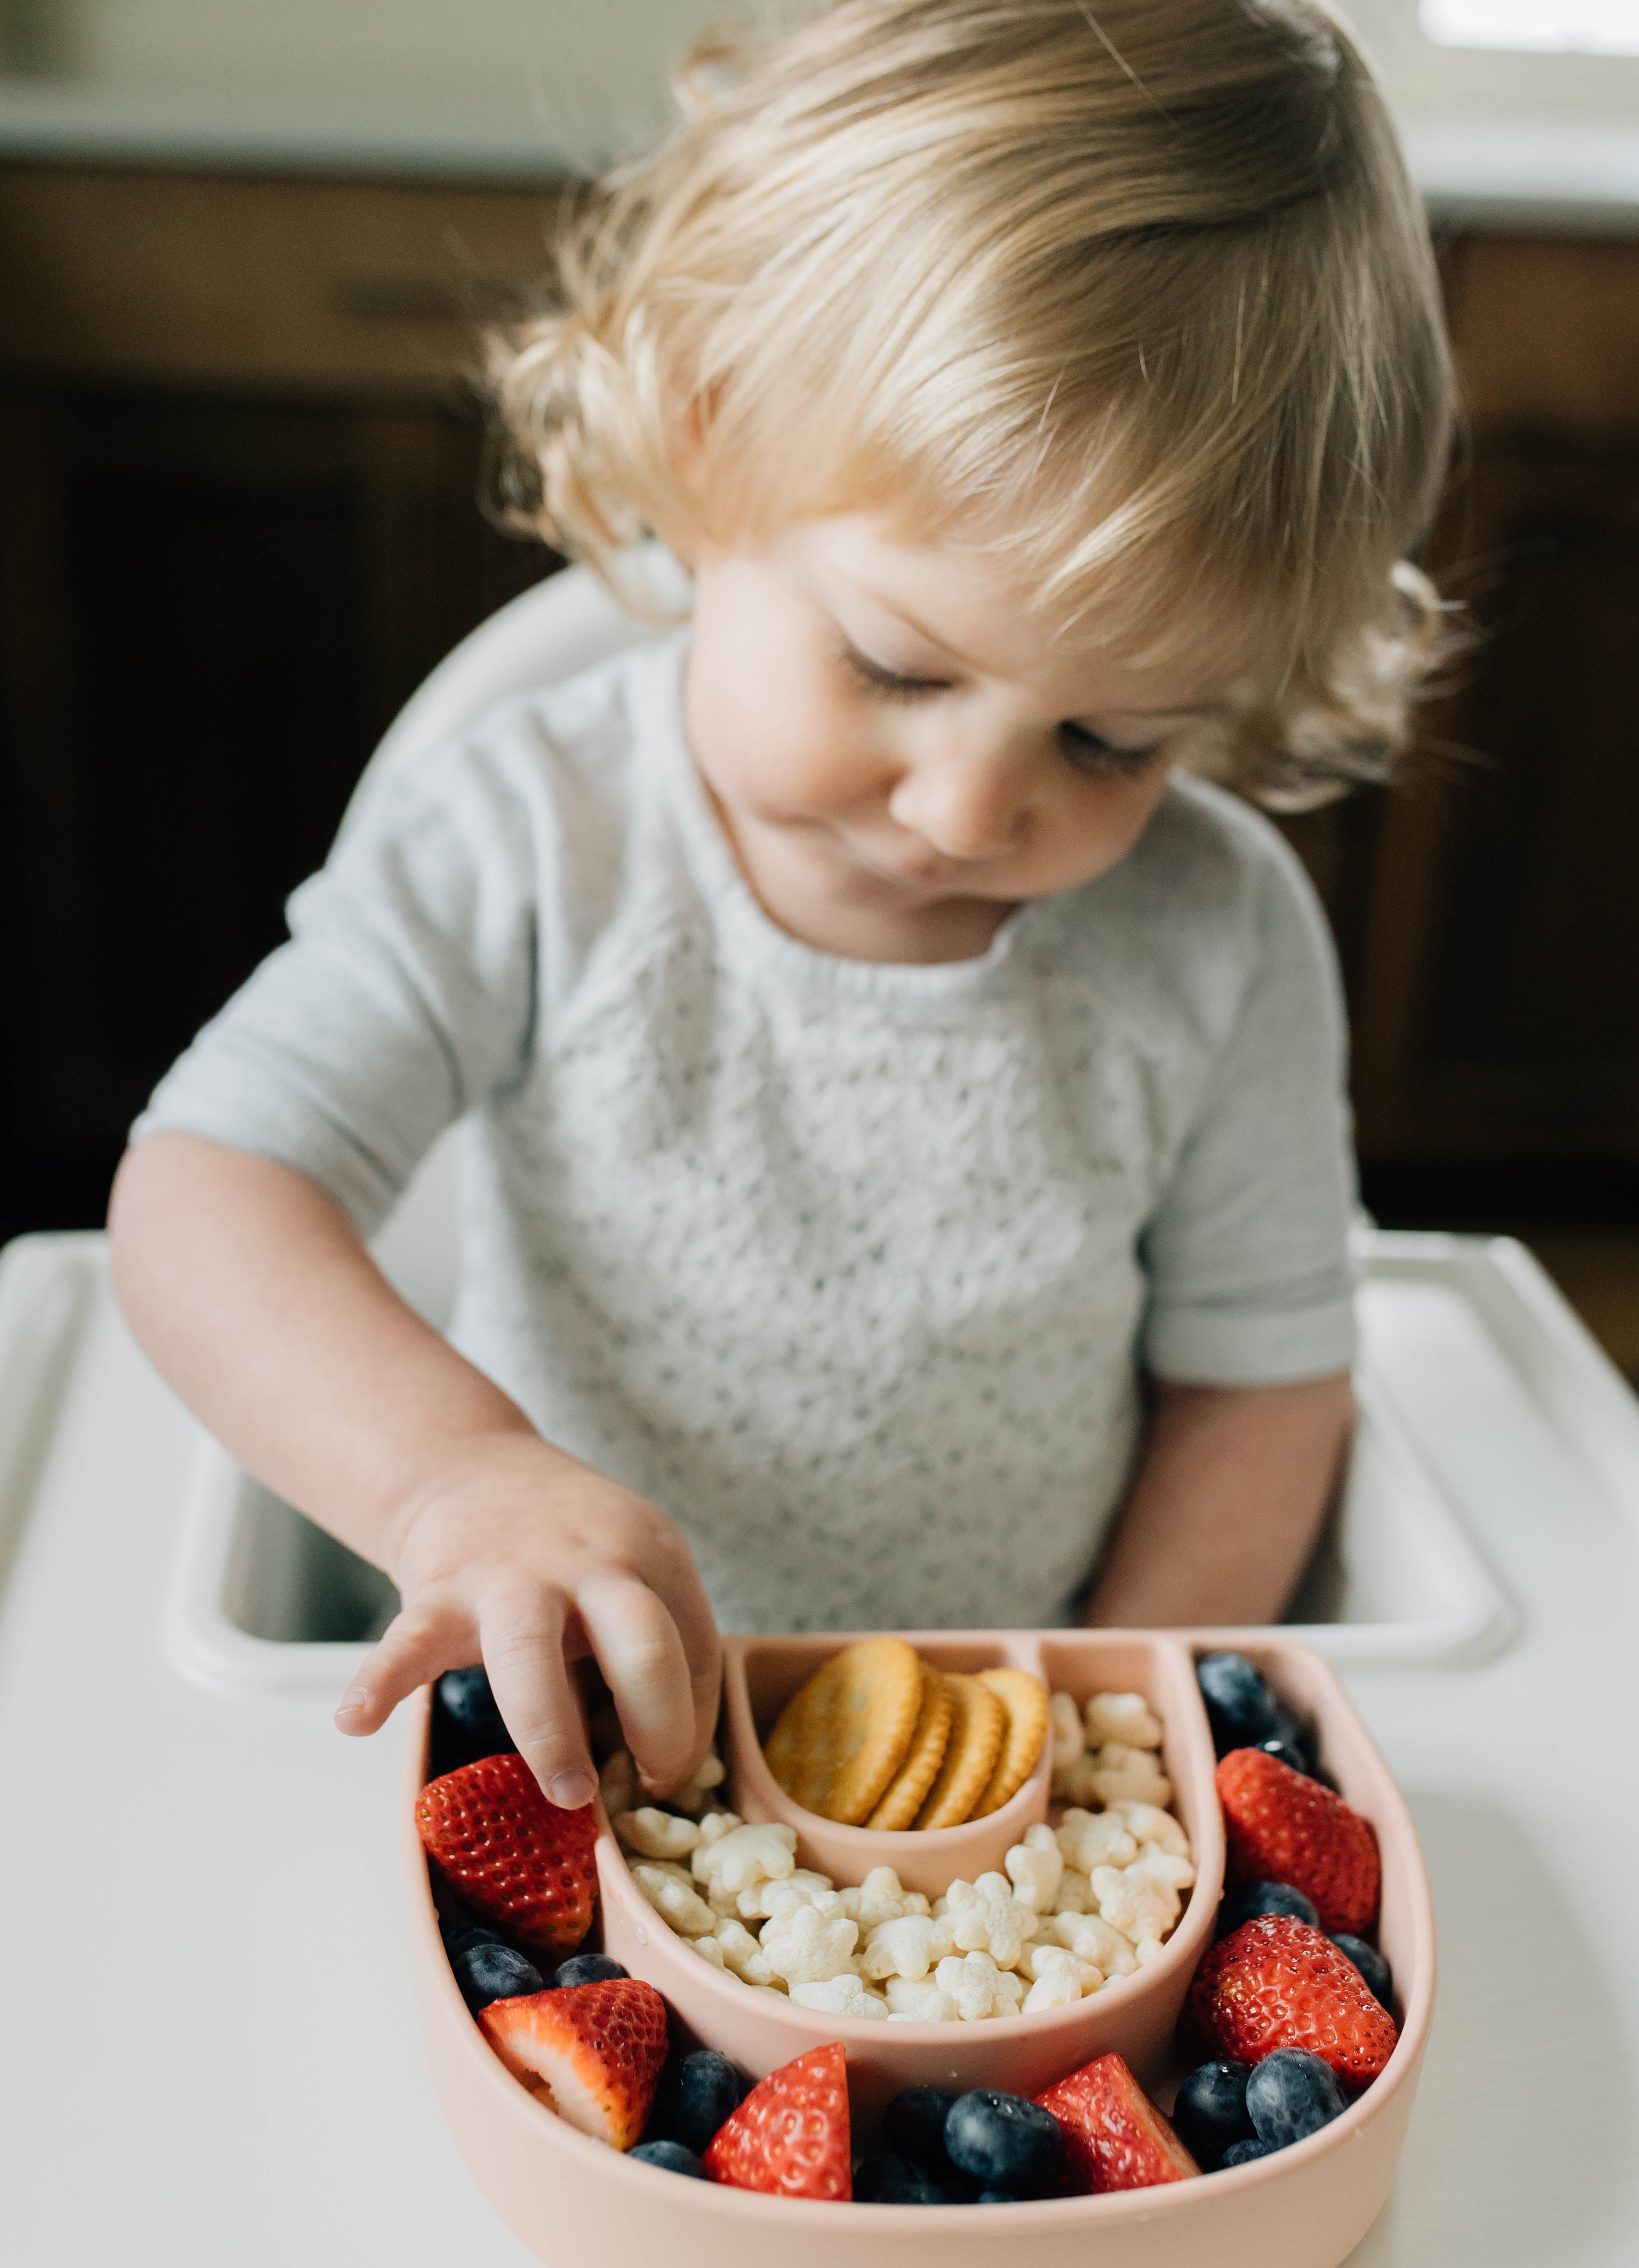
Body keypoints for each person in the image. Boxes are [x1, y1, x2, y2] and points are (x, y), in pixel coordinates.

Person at [108, 1, 1454, 1817]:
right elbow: (208, 1189)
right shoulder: (531, 835)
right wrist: (453, 1485)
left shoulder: (1216, 937)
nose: (973, 805)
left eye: (1114, 737)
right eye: (895, 666)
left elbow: (1263, 1385)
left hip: (987, 1764)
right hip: (548, 1714)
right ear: (714, 434)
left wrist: (1117, 1719)